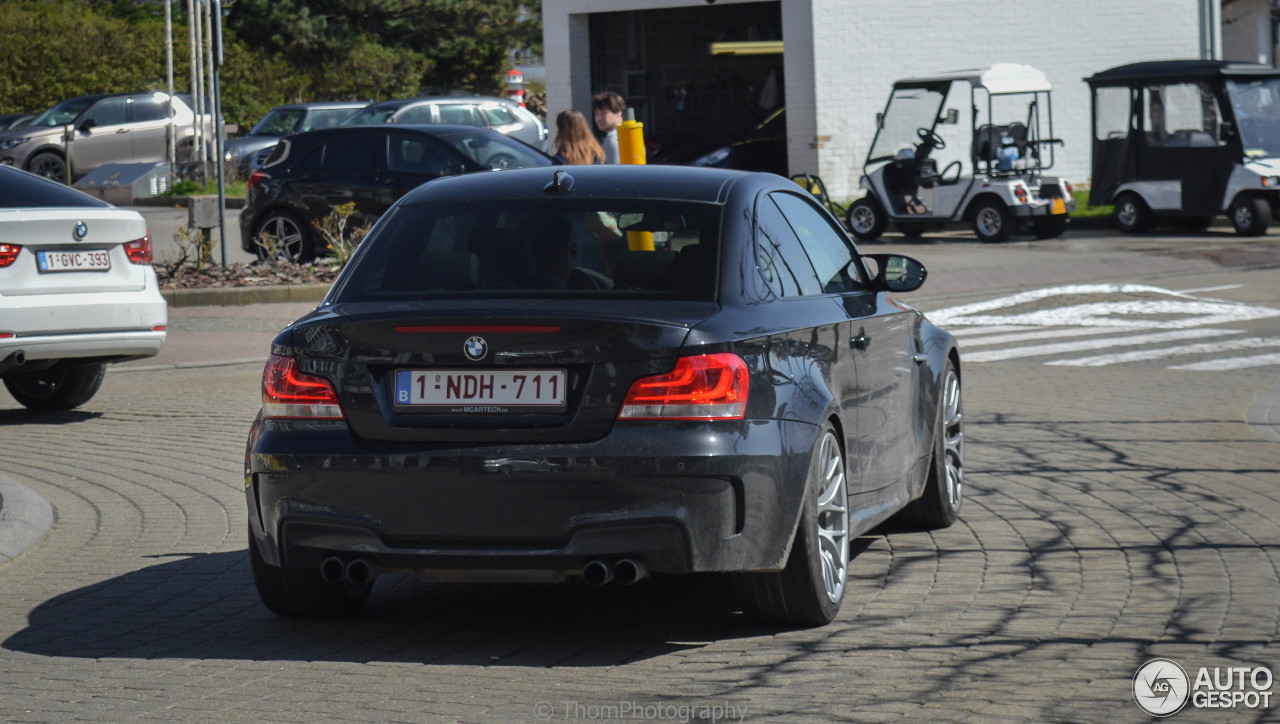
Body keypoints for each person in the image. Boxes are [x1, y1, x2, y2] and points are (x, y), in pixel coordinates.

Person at [592, 91, 625, 164]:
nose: (599, 118)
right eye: (596, 114)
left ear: (618, 113)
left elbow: (614, 173)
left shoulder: (614, 140)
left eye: (604, 113)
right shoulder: (626, 136)